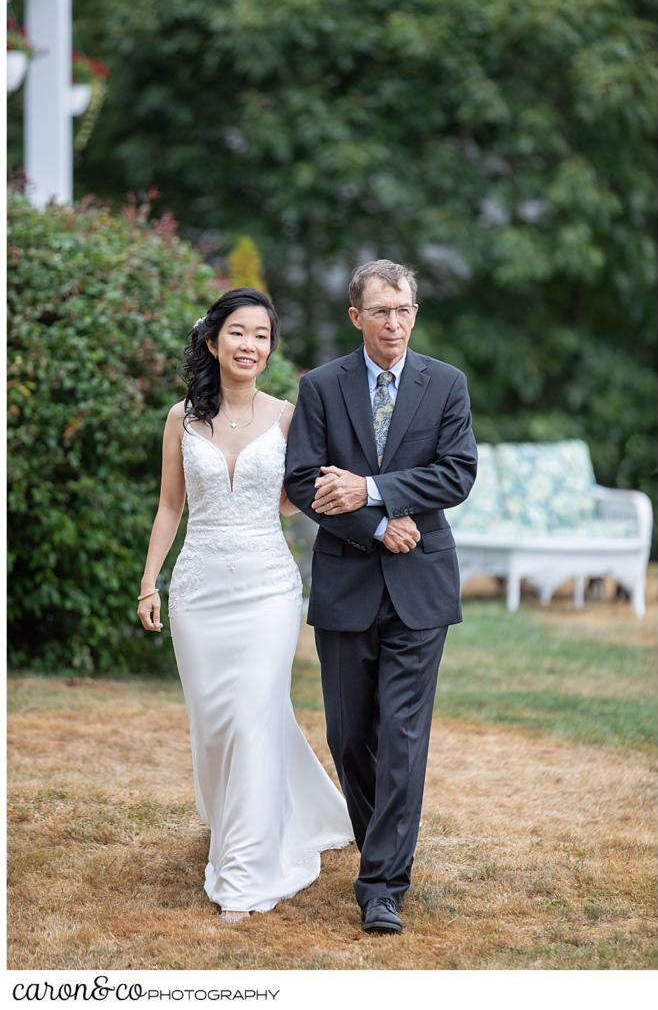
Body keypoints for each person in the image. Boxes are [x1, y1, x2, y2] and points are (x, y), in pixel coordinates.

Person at [137, 287, 354, 923]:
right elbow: (170, 506)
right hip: (199, 590)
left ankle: (246, 870)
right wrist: (151, 581)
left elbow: (296, 496)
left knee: (256, 712)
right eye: (238, 332)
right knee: (217, 724)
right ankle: (250, 817)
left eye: (262, 335)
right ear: (213, 341)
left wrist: (281, 504)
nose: (250, 345)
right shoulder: (182, 419)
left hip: (267, 587)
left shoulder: (288, 416)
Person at [284, 260, 477, 935]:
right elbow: (306, 480)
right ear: (356, 317)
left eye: (403, 310)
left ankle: (383, 884)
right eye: (381, 311)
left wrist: (371, 491)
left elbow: (456, 473)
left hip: (420, 584)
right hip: (346, 579)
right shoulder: (322, 388)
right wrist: (372, 526)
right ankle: (379, 844)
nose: (394, 322)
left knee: (400, 735)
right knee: (348, 734)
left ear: (414, 314)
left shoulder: (445, 385)